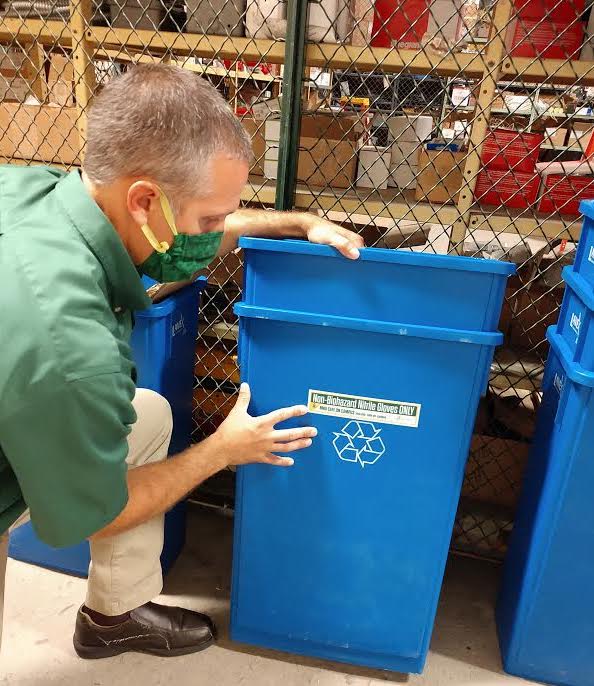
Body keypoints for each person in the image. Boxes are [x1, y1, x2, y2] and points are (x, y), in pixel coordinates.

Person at [0, 63, 363, 660]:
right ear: (144, 201)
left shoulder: (42, 193)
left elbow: (197, 232)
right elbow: (100, 514)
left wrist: (297, 224)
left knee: (146, 417)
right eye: (209, 219)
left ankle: (112, 616)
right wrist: (223, 450)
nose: (214, 234)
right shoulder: (70, 346)